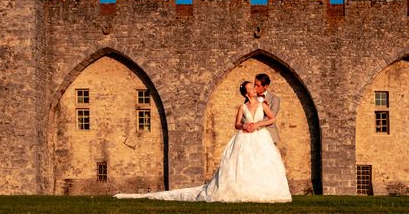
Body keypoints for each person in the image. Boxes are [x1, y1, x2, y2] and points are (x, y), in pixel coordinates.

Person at [114, 80, 291, 203]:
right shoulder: (242, 107)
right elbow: (236, 123)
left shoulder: (262, 104)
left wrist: (257, 125)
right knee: (241, 165)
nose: (254, 89)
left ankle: (263, 191)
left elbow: (272, 119)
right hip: (245, 137)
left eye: (254, 87)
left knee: (262, 164)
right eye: (251, 88)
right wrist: (244, 126)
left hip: (260, 137)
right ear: (246, 92)